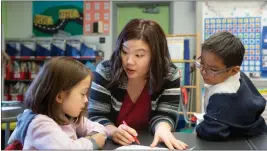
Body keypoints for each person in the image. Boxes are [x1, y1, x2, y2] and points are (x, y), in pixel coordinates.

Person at [88, 19, 188, 150]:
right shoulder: (106, 72)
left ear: (155, 56)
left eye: (139, 55)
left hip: (151, 144)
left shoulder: (168, 74)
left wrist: (163, 128)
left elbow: (166, 114)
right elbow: (96, 115)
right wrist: (112, 131)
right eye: (124, 51)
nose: (129, 61)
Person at [7, 57, 107, 149]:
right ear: (60, 96)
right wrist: (92, 142)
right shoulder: (40, 125)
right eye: (83, 93)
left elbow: (99, 128)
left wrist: (91, 137)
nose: (86, 100)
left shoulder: (67, 116)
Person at [195, 31, 267, 141]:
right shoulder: (238, 76)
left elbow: (211, 132)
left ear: (233, 70)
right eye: (202, 63)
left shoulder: (223, 97)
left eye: (213, 69)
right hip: (259, 130)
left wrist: (199, 126)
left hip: (247, 142)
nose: (203, 71)